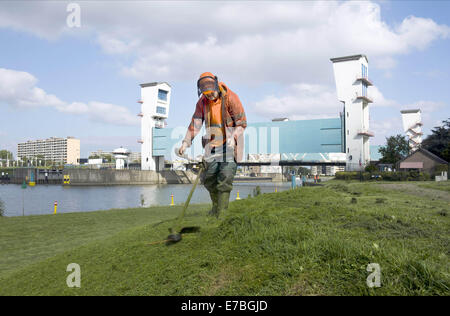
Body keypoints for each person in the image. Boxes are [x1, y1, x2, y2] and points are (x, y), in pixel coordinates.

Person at [179, 72, 247, 217]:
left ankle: (221, 214)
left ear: (216, 85)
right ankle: (216, 208)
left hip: (230, 146)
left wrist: (233, 137)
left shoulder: (231, 97)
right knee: (209, 180)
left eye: (211, 93)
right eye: (206, 94)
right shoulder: (202, 102)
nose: (209, 96)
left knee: (225, 177)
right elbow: (195, 124)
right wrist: (185, 142)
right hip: (212, 147)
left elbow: (242, 123)